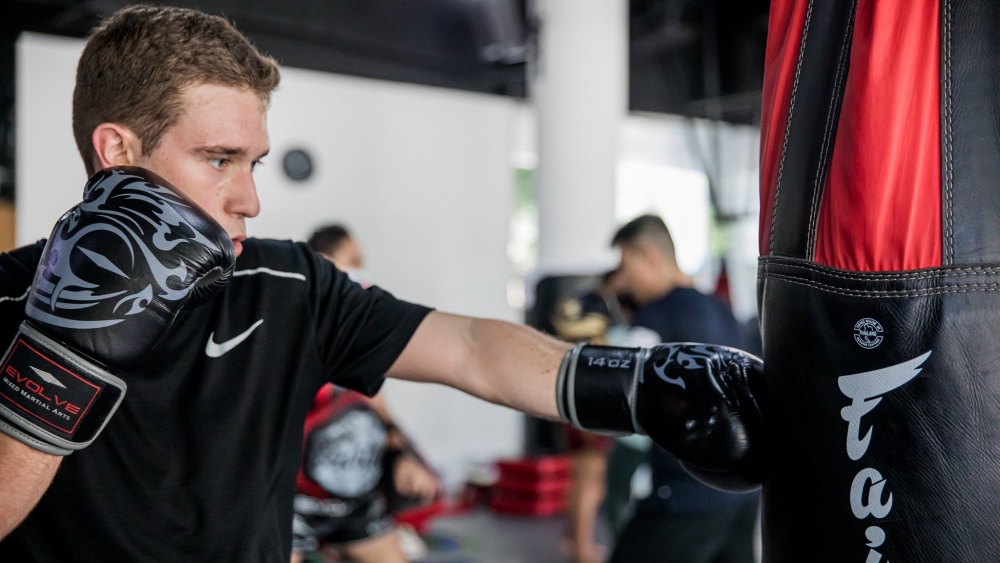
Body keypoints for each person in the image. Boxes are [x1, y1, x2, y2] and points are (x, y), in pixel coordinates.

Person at [0, 6, 762, 561]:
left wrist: (626, 383)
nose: (250, 198)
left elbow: (466, 346)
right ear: (116, 150)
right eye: (220, 158)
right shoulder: (5, 300)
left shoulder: (284, 282)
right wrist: (61, 358)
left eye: (254, 163)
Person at [606, 214, 759, 563]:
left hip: (685, 495)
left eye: (627, 268)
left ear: (648, 255)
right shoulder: (721, 309)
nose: (625, 284)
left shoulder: (656, 315)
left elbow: (621, 398)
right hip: (741, 493)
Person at [291, 223, 439, 563]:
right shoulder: (288, 326)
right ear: (324, 261)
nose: (361, 268)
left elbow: (378, 410)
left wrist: (405, 457)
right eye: (353, 259)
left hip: (353, 499)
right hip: (291, 500)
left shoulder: (359, 336)